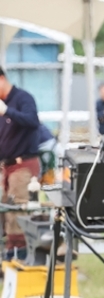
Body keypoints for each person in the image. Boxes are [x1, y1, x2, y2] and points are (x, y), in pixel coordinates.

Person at [0, 66, 40, 261]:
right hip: (6, 166)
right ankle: (9, 255)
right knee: (7, 211)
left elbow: (33, 121)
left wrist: (7, 111)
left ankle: (23, 256)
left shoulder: (23, 98)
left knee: (19, 210)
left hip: (23, 165)